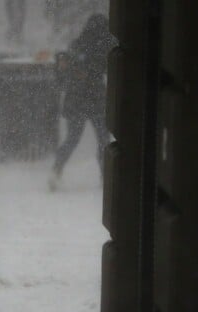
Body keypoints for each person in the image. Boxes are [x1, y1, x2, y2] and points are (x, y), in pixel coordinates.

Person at [49, 13, 115, 191]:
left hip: (77, 98)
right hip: (96, 99)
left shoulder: (77, 44)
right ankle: (106, 177)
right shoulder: (106, 45)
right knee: (103, 140)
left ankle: (56, 170)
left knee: (72, 139)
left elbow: (66, 70)